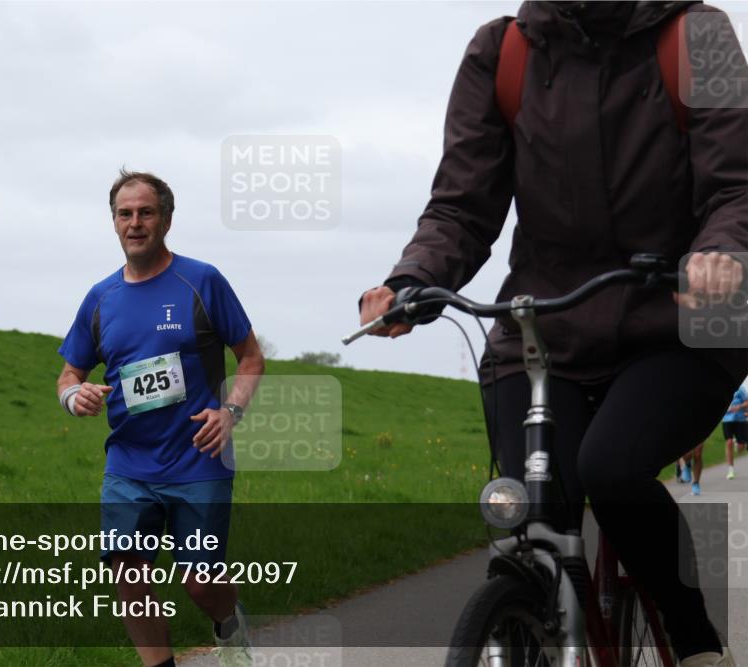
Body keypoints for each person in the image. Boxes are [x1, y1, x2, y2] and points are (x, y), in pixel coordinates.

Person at [359, 3, 746, 665]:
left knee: (613, 469)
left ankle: (694, 641)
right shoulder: (502, 51)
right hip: (544, 329)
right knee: (537, 524)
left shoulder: (696, 35)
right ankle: (538, 626)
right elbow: (462, 202)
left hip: (676, 320)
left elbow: (736, 185)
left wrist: (722, 252)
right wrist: (413, 279)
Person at [57, 170, 264, 667]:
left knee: (201, 583)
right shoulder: (101, 298)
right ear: (113, 223)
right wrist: (74, 396)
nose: (135, 223)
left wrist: (230, 412)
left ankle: (229, 624)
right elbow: (69, 373)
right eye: (125, 214)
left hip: (198, 459)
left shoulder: (201, 281)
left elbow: (251, 358)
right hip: (129, 463)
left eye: (145, 212)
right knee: (128, 570)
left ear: (166, 219)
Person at [721, 383, 748, 479]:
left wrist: (739, 407)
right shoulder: (722, 389)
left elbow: (747, 402)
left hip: (740, 420)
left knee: (741, 447)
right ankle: (730, 470)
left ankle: (738, 443)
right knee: (728, 442)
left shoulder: (740, 389)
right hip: (726, 420)